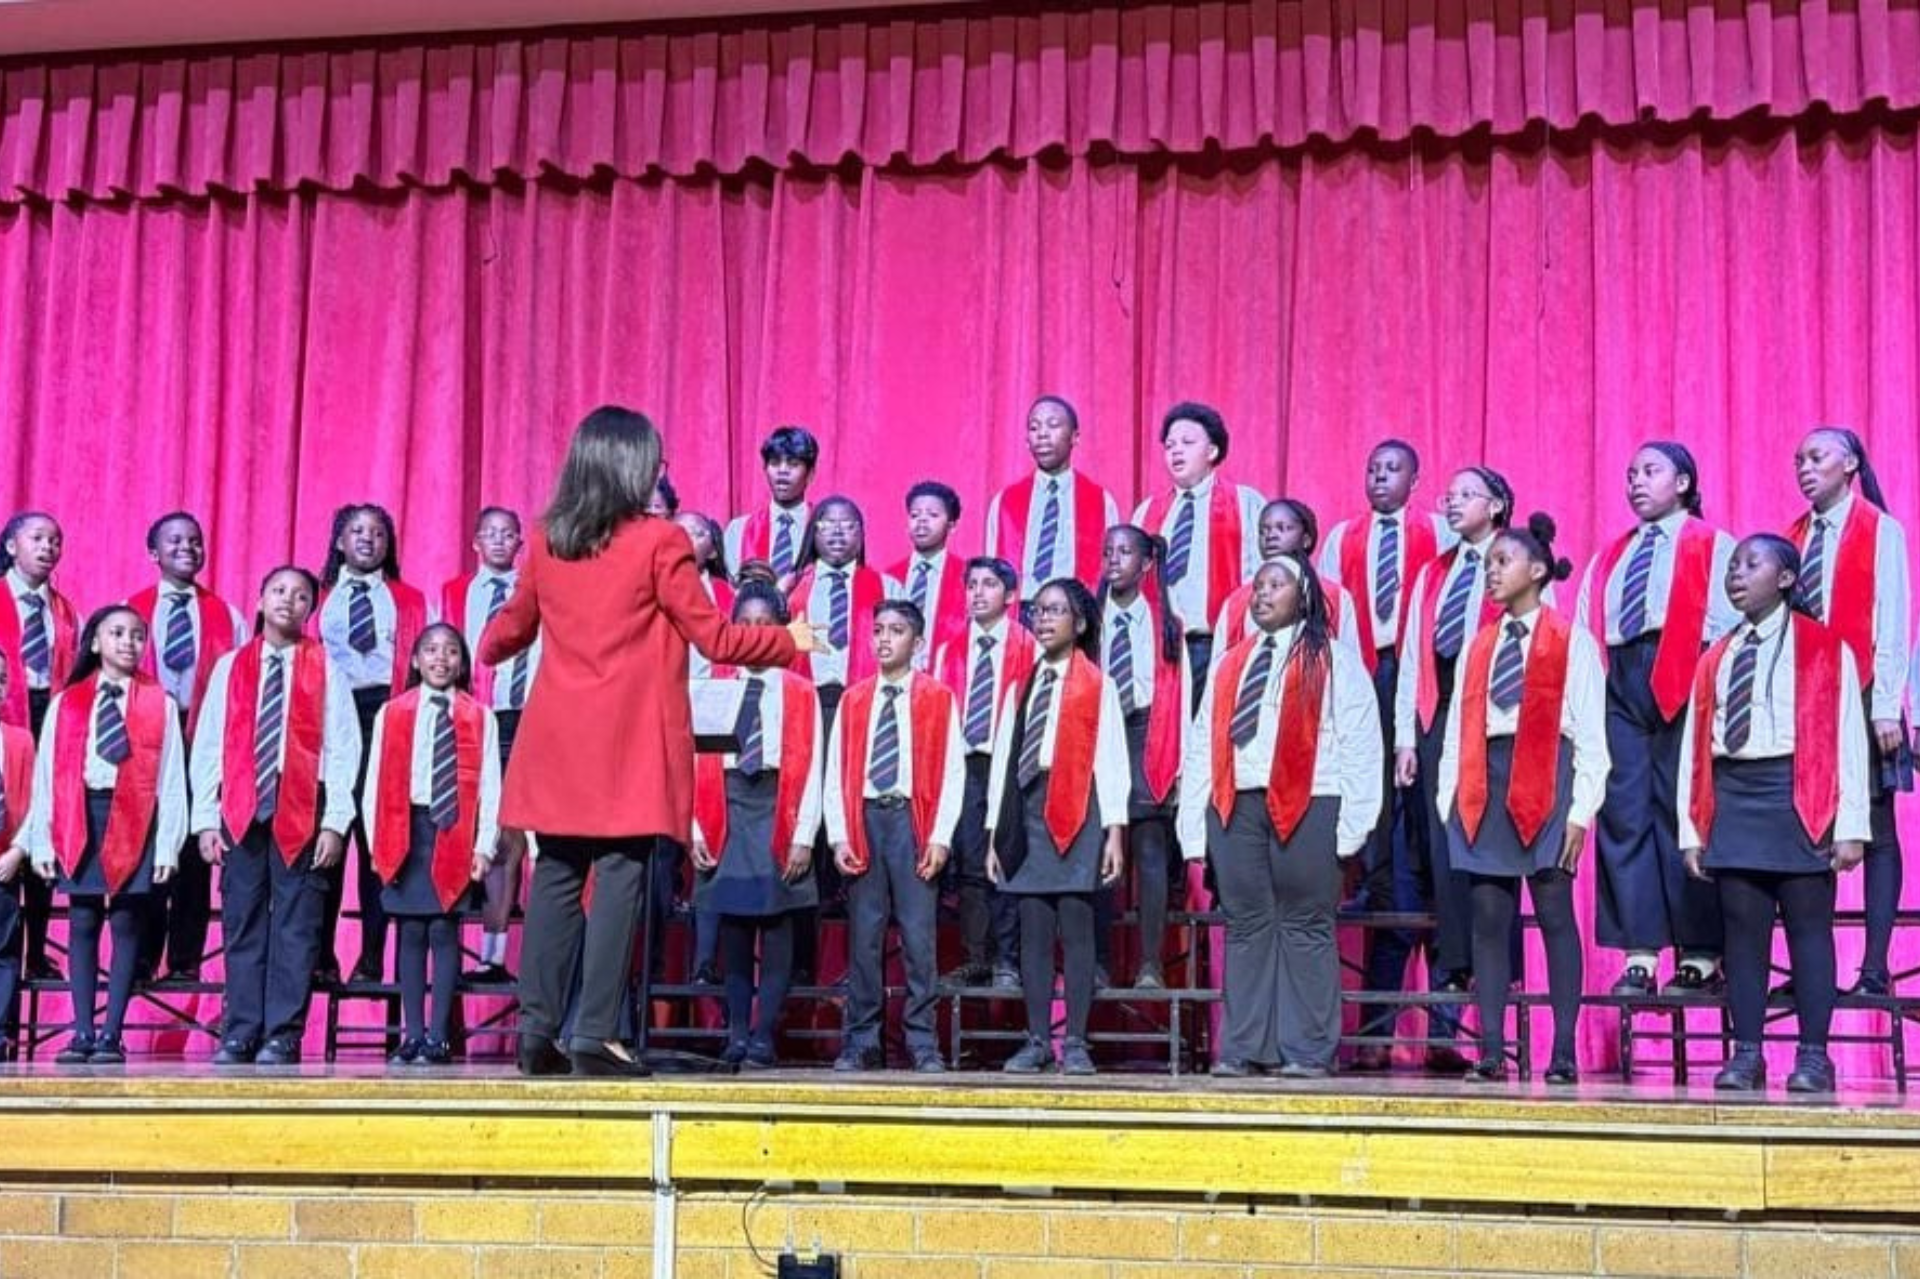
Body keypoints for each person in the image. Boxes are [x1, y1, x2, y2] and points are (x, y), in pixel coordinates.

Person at [480, 405, 815, 1078]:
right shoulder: (660, 542)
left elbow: (505, 633)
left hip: (557, 736)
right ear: (633, 465)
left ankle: (536, 1029)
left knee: (554, 874)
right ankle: (595, 1033)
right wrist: (791, 639)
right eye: (657, 460)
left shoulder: (549, 538)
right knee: (623, 873)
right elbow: (717, 638)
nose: (661, 470)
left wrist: (488, 642)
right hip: (626, 738)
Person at [1176, 555, 1381, 1077]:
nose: (1262, 594)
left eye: (1276, 584)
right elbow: (1204, 741)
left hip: (1311, 800)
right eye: (1257, 585)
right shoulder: (1230, 663)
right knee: (1246, 925)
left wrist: (1355, 822)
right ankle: (1246, 1047)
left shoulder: (1332, 658)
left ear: (1305, 595)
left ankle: (1308, 1049)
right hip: (1238, 802)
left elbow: (1361, 741)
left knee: (1306, 923)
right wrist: (1192, 825)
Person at [1678, 535, 1869, 1095]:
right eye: (1732, 566)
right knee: (1743, 937)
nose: (1736, 574)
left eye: (1751, 564)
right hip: (1735, 799)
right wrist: (1693, 828)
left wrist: (1852, 825)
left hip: (1799, 796)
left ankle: (1814, 1055)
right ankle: (1748, 1052)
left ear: (1786, 578)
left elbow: (1848, 741)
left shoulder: (1825, 647)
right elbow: (1695, 746)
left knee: (1810, 933)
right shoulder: (1717, 654)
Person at [1437, 514, 1609, 1085]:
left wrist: (1580, 811)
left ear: (1536, 570)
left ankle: (1562, 1049)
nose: (1491, 572)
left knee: (1555, 911)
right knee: (1488, 919)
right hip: (1485, 779)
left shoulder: (1569, 640)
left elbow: (1589, 735)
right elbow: (1461, 727)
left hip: (1546, 776)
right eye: (1488, 564)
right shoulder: (1479, 645)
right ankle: (1490, 1048)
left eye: (1502, 562)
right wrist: (1449, 800)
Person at [1361, 466, 1519, 1074]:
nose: (1452, 505)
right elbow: (1410, 662)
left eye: (1466, 496)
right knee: (1421, 864)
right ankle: (1405, 1025)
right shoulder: (1433, 573)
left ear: (1497, 504)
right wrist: (1405, 740)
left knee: (1470, 865)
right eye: (1448, 497)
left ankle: (1465, 1020)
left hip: (1487, 723)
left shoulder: (1517, 565)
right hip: (1433, 718)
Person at [1575, 442, 1737, 996]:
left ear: (1684, 482)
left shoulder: (1715, 547)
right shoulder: (1610, 556)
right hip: (1621, 680)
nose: (1636, 481)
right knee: (1623, 814)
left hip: (1687, 671)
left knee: (1684, 812)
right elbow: (1587, 629)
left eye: (1650, 471)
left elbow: (1734, 626)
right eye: (1630, 473)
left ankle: (1700, 953)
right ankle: (1640, 953)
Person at [191, 566, 361, 1066]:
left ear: (312, 609)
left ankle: (282, 1034)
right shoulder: (231, 667)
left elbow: (344, 748)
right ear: (260, 600)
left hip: (301, 806)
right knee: (242, 923)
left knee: (297, 926)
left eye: (302, 595)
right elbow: (208, 745)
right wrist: (205, 818)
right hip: (242, 807)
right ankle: (240, 1030)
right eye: (279, 591)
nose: (289, 600)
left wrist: (335, 821)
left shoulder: (326, 667)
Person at [18, 606, 187, 1065]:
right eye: (116, 633)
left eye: (137, 635)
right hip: (81, 813)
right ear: (95, 642)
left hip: (135, 813)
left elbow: (172, 777)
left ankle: (112, 1032)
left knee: (129, 920)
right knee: (83, 920)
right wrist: (42, 838)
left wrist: (169, 840)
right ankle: (82, 1030)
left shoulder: (161, 704)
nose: (128, 642)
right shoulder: (67, 702)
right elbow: (47, 776)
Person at [987, 579, 1129, 1076]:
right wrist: (993, 832)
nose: (1044, 620)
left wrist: (1114, 829)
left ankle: (1076, 1040)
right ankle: (1035, 1038)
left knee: (1077, 928)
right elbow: (1005, 758)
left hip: (1076, 807)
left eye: (1056, 611)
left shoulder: (1097, 684)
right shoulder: (1021, 684)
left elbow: (1110, 759)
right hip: (1026, 811)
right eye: (1038, 611)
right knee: (1034, 933)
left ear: (1081, 623)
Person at [1787, 427, 1911, 995]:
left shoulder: (1880, 531)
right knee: (1807, 824)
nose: (1805, 468)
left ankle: (1875, 968)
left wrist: (1887, 705)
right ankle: (1812, 972)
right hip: (1805, 696)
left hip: (1861, 691)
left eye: (1817, 457)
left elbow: (1891, 619)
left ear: (1851, 464)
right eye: (1799, 461)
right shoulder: (1794, 537)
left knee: (1876, 827)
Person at [825, 600, 964, 1073]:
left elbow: (952, 772)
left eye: (897, 631)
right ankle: (863, 1040)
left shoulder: (937, 697)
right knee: (864, 938)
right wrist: (839, 835)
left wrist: (940, 836)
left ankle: (922, 1041)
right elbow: (835, 770)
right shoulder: (855, 698)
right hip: (866, 819)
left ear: (917, 642)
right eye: (879, 629)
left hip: (911, 821)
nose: (885, 639)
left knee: (918, 938)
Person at [690, 583, 822, 1069]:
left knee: (779, 927)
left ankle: (766, 1034)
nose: (756, 634)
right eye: (745, 624)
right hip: (727, 807)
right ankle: (737, 1033)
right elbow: (694, 763)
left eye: (766, 625)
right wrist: (696, 830)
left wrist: (804, 835)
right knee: (735, 934)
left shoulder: (800, 692)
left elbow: (814, 768)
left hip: (777, 804)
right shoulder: (715, 683)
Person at [364, 624, 500, 1067]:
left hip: (454, 829)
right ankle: (413, 1034)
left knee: (444, 931)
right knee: (409, 933)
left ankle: (439, 1037)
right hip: (406, 829)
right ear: (416, 659)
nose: (441, 659)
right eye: (430, 650)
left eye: (451, 651)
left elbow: (491, 790)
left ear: (462, 662)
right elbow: (374, 783)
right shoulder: (393, 712)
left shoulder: (481, 716)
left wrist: (484, 846)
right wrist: (374, 839)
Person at [315, 502, 433, 988]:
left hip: (387, 714)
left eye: (378, 533)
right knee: (328, 832)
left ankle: (371, 955)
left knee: (377, 838)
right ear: (339, 541)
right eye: (357, 531)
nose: (368, 539)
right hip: (327, 721)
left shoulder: (410, 600)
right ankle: (320, 955)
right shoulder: (315, 597)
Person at [126, 510, 247, 987]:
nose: (187, 548)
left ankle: (185, 957)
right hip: (147, 736)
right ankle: (139, 955)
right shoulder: (130, 610)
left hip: (202, 734)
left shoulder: (227, 615)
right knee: (148, 842)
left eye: (195, 541)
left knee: (197, 850)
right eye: (174, 541)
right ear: (154, 552)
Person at [439, 506, 539, 986]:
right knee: (484, 828)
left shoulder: (537, 590)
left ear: (521, 543)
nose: (500, 541)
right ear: (476, 542)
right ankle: (477, 950)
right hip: (478, 719)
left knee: (524, 833)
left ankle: (519, 953)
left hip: (533, 719)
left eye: (509, 534)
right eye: (490, 534)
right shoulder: (453, 595)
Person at [932, 557, 1035, 989]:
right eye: (971, 584)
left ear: (1010, 595)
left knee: (1007, 858)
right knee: (973, 862)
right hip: (967, 763)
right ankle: (978, 957)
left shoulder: (1029, 646)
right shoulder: (948, 649)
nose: (977, 592)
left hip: (1010, 762)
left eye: (989, 584)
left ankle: (1009, 959)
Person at [1097, 525, 1188, 988]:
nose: (1114, 559)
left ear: (1147, 563)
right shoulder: (1089, 618)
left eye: (1125, 552)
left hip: (1146, 734)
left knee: (1150, 850)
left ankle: (1150, 963)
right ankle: (1097, 963)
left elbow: (1178, 696)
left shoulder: (1165, 622)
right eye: (1108, 551)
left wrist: (1177, 763)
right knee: (1096, 852)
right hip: (1097, 737)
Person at [1131, 402, 1265, 702]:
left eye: (1188, 443)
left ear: (1213, 451)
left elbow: (1262, 577)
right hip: (1162, 649)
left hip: (1220, 644)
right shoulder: (1146, 513)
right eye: (1169, 445)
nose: (1176, 451)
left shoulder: (1245, 504)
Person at [0, 510, 79, 982]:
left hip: (45, 717)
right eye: (37, 538)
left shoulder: (65, 611)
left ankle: (36, 948)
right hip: (3, 719)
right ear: (11, 546)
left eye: (55, 539)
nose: (48, 547)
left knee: (40, 823)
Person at [983, 395, 1122, 600]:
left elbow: (1111, 572)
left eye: (1053, 425)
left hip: (1075, 615)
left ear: (1075, 437)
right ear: (1026, 440)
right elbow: (992, 572)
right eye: (1034, 428)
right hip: (1021, 614)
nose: (1042, 435)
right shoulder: (1005, 502)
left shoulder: (1101, 501)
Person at [1214, 499, 1358, 649]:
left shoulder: (1335, 597)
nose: (1271, 536)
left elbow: (1350, 661)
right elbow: (1222, 664)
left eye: (1282, 528)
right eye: (1263, 530)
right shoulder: (1236, 602)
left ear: (1306, 540)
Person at [887, 482, 969, 668]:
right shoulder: (889, 577)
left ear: (952, 526)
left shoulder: (967, 577)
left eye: (932, 515)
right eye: (915, 515)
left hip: (945, 675)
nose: (922, 521)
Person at [725, 425, 818, 588]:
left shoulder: (821, 529)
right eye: (775, 463)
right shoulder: (738, 530)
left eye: (793, 464)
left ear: (810, 474)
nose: (782, 471)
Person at [0, 656, 31, 1043]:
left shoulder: (20, 741)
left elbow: (36, 803)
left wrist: (18, 851)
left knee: (5, 952)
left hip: (5, 862)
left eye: (1, 679)